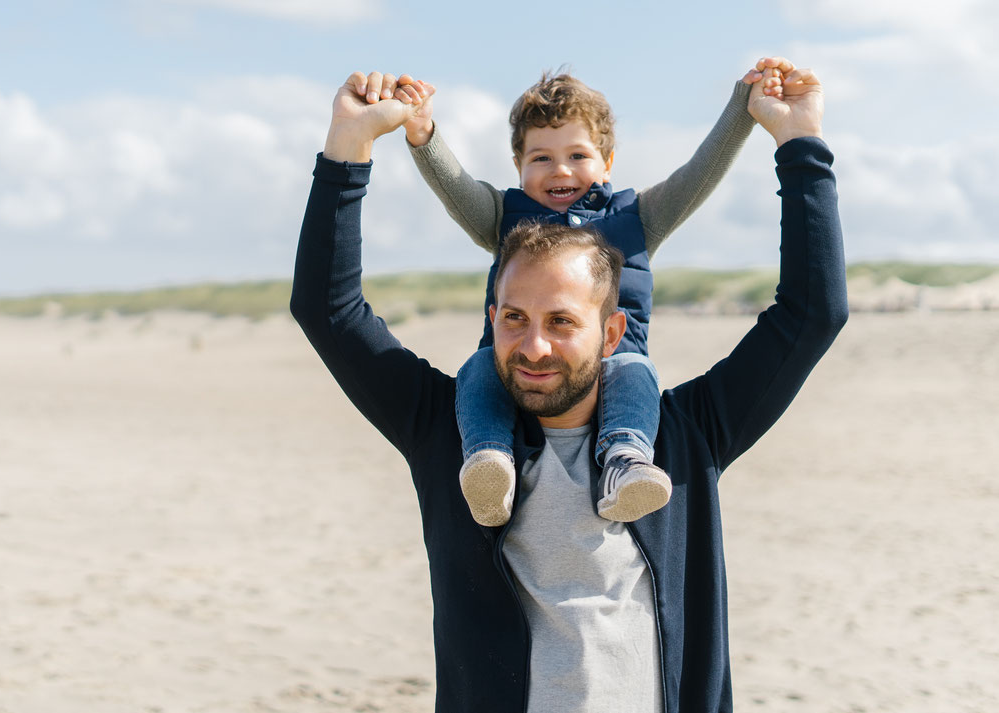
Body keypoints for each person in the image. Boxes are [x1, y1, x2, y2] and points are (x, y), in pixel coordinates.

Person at [291, 58, 847, 713]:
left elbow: (813, 312)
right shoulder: (448, 433)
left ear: (612, 333)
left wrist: (800, 144)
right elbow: (329, 310)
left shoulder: (683, 442)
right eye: (516, 318)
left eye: (562, 321)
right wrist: (348, 147)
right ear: (492, 317)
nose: (535, 345)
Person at [364, 68, 766, 527]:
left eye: (578, 154)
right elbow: (454, 185)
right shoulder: (503, 217)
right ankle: (489, 462)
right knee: (477, 366)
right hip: (516, 370)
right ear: (518, 164)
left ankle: (624, 462)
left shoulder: (637, 219)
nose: (560, 170)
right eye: (541, 158)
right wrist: (423, 133)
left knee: (637, 371)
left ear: (607, 161)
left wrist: (743, 108)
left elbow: (700, 173)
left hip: (609, 369)